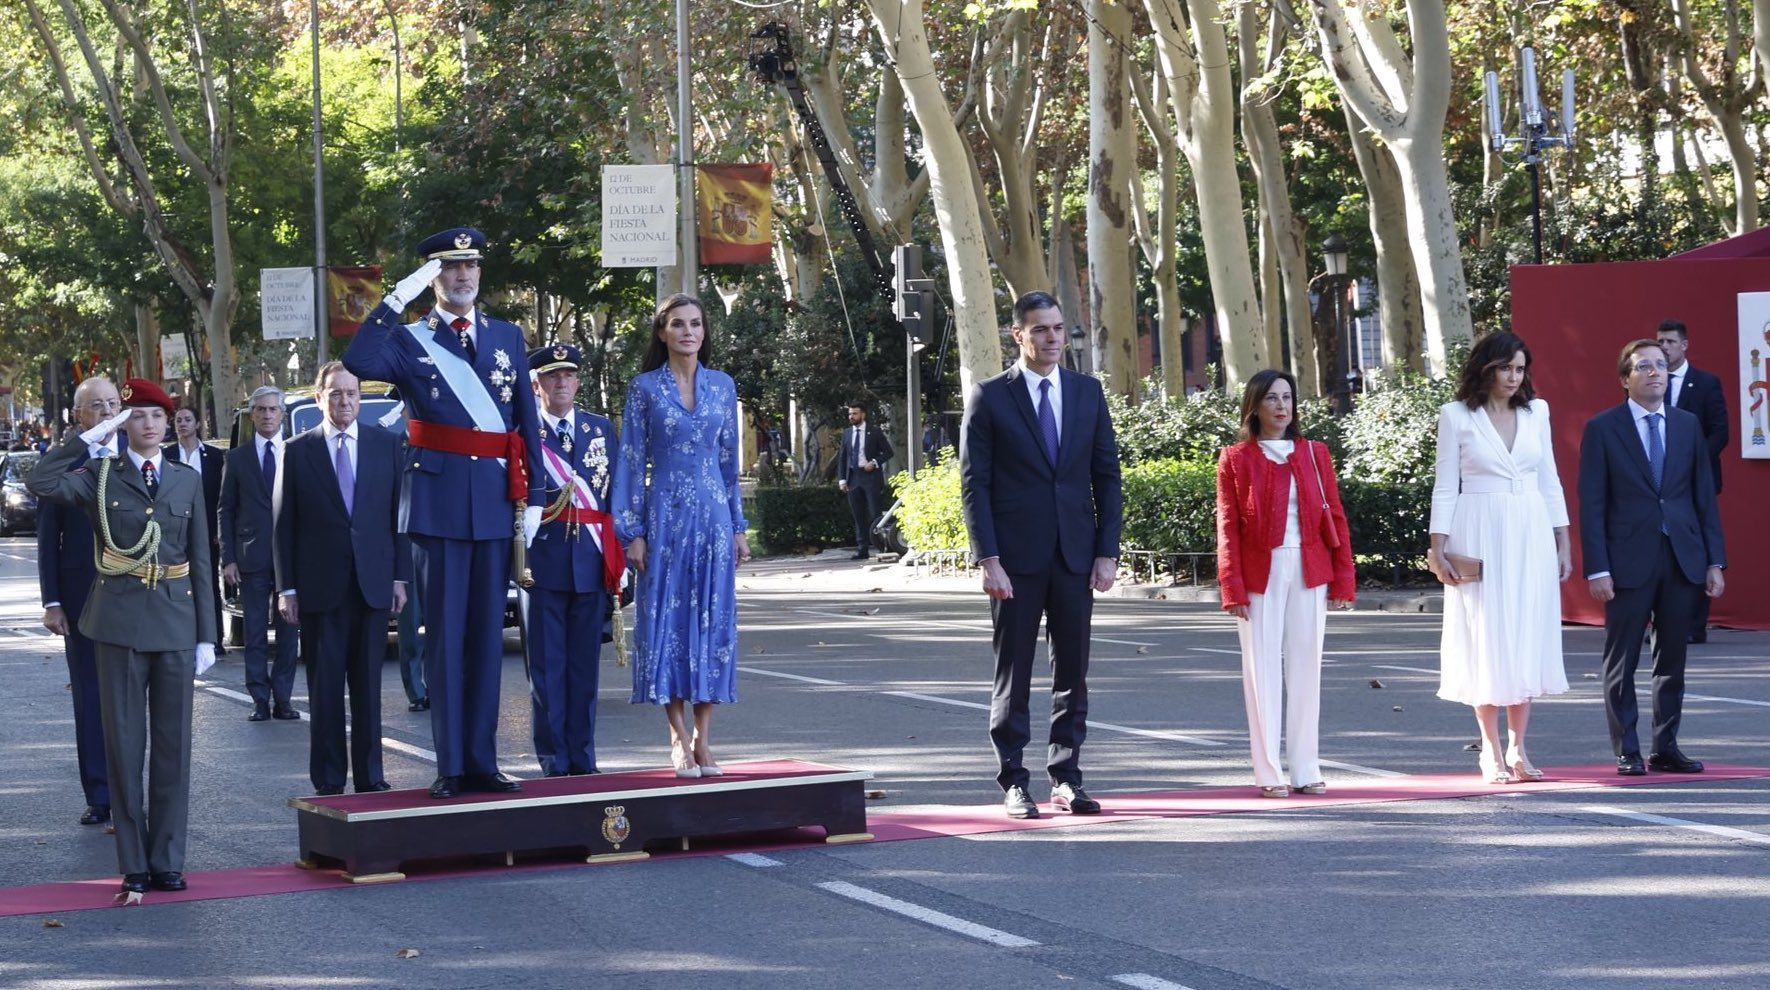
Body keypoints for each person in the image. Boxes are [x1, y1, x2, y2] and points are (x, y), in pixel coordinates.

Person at [342, 226, 545, 800]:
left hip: (493, 503)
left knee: (485, 638)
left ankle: (483, 760)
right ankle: (451, 764)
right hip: (436, 504)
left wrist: (531, 499)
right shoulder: (410, 339)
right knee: (446, 639)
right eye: (450, 268)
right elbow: (356, 359)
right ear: (434, 277)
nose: (463, 277)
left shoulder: (507, 336)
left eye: (471, 267)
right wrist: (394, 300)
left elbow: (523, 423)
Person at [27, 378, 217, 901]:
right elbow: (40, 480)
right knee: (125, 747)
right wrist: (86, 438)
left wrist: (209, 633)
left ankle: (167, 860)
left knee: (174, 749)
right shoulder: (98, 476)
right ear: (122, 426)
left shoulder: (185, 479)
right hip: (117, 626)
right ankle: (134, 863)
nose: (150, 424)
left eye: (159, 415)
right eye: (137, 416)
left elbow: (201, 556)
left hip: (176, 624)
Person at [959, 290, 1122, 820]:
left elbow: (1106, 479)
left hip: (1075, 556)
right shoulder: (989, 397)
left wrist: (1106, 552)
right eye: (1041, 330)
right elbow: (974, 485)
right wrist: (989, 559)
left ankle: (1067, 777)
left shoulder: (1087, 393)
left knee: (1073, 672)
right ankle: (1013, 779)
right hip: (1015, 561)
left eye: (1057, 328)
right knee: (1016, 671)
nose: (1053, 338)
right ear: (1018, 335)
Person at [612, 293, 749, 778]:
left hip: (713, 519)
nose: (688, 332)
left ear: (704, 332)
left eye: (695, 324)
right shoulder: (644, 389)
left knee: (712, 625)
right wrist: (632, 532)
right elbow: (630, 460)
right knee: (666, 625)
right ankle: (675, 736)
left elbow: (731, 464)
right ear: (661, 333)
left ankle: (704, 740)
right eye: (677, 324)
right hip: (664, 519)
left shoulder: (723, 387)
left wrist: (737, 526)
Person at [1427, 333, 1573, 784]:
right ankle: (1489, 749)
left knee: (1525, 633)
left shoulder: (1538, 412)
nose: (1514, 377)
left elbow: (1549, 479)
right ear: (1486, 368)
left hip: (1529, 531)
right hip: (1479, 530)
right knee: (1485, 635)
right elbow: (1446, 484)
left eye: (1520, 369)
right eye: (1506, 368)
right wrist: (1437, 547)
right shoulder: (1456, 416)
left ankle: (1518, 748)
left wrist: (1563, 541)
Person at [1579, 339, 1726, 777]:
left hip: (1682, 558)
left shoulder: (1686, 426)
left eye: (1661, 365)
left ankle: (1666, 746)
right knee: (1622, 659)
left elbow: (1703, 497)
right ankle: (1627, 748)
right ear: (1625, 378)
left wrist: (1714, 560)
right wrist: (1598, 567)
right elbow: (1592, 503)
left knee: (1672, 660)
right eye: (1643, 366)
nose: (1655, 372)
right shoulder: (1603, 428)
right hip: (1626, 561)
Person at [1216, 369, 1355, 798]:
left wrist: (1344, 577)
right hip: (1260, 573)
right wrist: (1232, 586)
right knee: (1261, 670)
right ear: (1255, 406)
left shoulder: (1315, 453)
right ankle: (1269, 771)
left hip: (1310, 568)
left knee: (1306, 667)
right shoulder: (1235, 458)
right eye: (1272, 398)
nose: (1282, 406)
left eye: (1288, 398)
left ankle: (1306, 768)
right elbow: (1228, 527)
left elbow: (1335, 516)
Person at [274, 362, 409, 795]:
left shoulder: (385, 446)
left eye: (351, 394)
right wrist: (287, 587)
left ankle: (372, 779)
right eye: (335, 394)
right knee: (326, 692)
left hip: (371, 586)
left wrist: (399, 578)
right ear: (320, 399)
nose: (345, 401)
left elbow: (397, 519)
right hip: (319, 590)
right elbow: (284, 525)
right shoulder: (297, 451)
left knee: (368, 690)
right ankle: (330, 781)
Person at [523, 344, 623, 776]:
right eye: (551, 376)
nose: (561, 382)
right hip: (541, 563)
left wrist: (620, 558)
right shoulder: (524, 432)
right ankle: (553, 759)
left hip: (591, 559)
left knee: (584, 670)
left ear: (579, 381)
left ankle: (583, 757)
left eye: (568, 375)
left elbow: (617, 495)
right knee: (547, 670)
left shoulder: (601, 430)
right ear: (536, 384)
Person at [37, 376, 120, 827]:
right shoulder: (60, 464)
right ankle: (100, 792)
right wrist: (52, 602)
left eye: (112, 404)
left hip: (133, 598)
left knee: (130, 699)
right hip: (81, 598)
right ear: (78, 415)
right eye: (96, 407)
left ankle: (130, 788)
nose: (107, 413)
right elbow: (49, 540)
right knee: (90, 695)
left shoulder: (136, 456)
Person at [219, 386, 299, 721]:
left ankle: (283, 698)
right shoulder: (237, 458)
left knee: (288, 633)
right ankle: (259, 699)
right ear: (252, 415)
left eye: (273, 410)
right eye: (261, 410)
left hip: (290, 559)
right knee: (253, 632)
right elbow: (226, 509)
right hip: (250, 557)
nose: (267, 415)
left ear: (282, 414)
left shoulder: (298, 452)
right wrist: (228, 559)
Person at [1656, 319, 1730, 644]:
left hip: (1694, 481)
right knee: (1660, 548)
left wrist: (1692, 464)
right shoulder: (1647, 383)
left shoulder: (1705, 383)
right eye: (1660, 341)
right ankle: (1662, 623)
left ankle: (1693, 625)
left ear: (1684, 345)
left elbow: (1720, 431)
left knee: (1695, 552)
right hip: (1658, 485)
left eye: (1670, 342)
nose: (1665, 347)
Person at [164, 404, 225, 656]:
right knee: (174, 584)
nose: (182, 424)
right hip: (174, 532)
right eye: (178, 420)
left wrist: (219, 531)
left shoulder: (214, 457)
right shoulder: (166, 456)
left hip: (207, 531)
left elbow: (222, 497)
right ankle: (178, 636)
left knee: (208, 583)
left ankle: (215, 637)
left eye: (188, 419)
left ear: (198, 424)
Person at [838, 403, 894, 560]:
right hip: (853, 477)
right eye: (850, 414)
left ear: (863, 415)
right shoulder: (847, 433)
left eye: (855, 413)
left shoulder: (874, 432)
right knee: (858, 514)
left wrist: (875, 462)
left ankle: (881, 547)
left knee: (875, 513)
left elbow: (888, 452)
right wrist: (842, 479)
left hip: (870, 477)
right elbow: (843, 457)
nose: (851, 417)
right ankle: (862, 548)